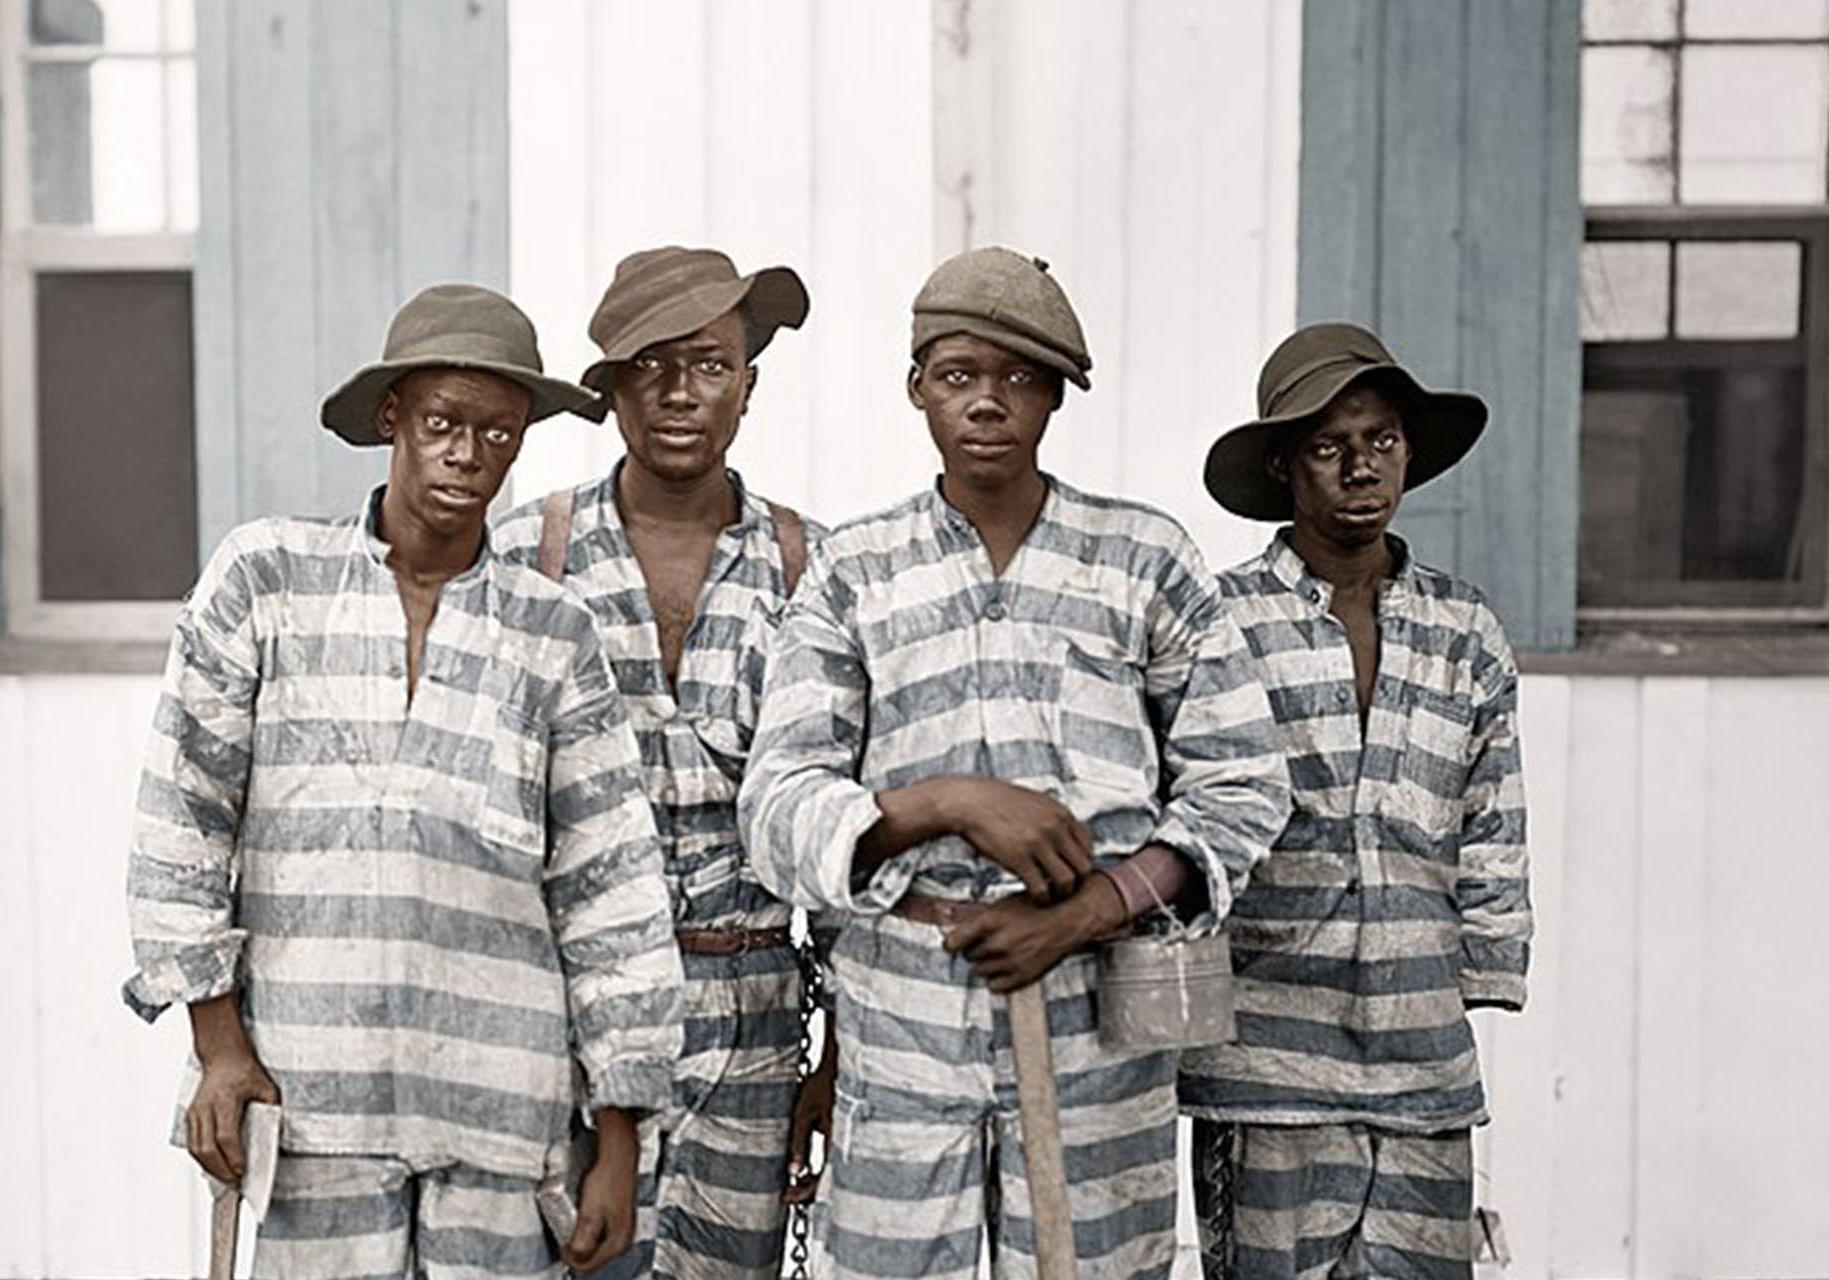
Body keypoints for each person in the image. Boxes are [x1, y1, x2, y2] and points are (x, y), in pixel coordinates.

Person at [738, 246, 1291, 1279]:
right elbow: (777, 803)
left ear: (1056, 396)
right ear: (916, 388)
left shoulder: (1142, 557)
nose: (988, 402)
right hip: (903, 1013)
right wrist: (947, 802)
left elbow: (1243, 781)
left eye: (1020, 378)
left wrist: (1089, 909)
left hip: (1099, 1013)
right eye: (958, 375)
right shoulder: (855, 570)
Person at [124, 284, 685, 1278]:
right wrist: (219, 1045)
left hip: (502, 1119)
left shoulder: (554, 637)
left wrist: (620, 1137)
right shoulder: (266, 581)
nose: (469, 457)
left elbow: (611, 893)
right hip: (306, 1106)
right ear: (394, 419)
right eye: (444, 424)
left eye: (499, 435)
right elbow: (186, 811)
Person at [491, 247, 826, 1280]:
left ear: (749, 385)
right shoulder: (524, 554)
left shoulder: (815, 566)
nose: (682, 394)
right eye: (652, 367)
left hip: (756, 1010)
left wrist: (840, 1050)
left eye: (712, 364)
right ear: (608, 390)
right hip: (567, 1010)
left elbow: (849, 812)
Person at [1181, 322, 1531, 1280]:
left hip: (1422, 1062)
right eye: (1330, 448)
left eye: (1380, 442)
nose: (1360, 469)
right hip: (1263, 1060)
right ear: (1286, 466)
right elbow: (1187, 826)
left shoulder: (1464, 629)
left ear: (1409, 455)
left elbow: (1492, 821)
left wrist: (1484, 967)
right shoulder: (1221, 623)